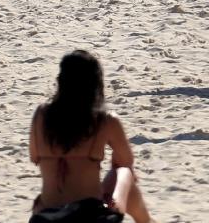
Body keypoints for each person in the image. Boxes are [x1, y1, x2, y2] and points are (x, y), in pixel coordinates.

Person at [28, 51, 153, 223]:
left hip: (47, 214)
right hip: (91, 216)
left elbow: (34, 157)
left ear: (61, 81)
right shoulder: (105, 120)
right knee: (124, 173)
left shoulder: (41, 115)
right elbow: (126, 161)